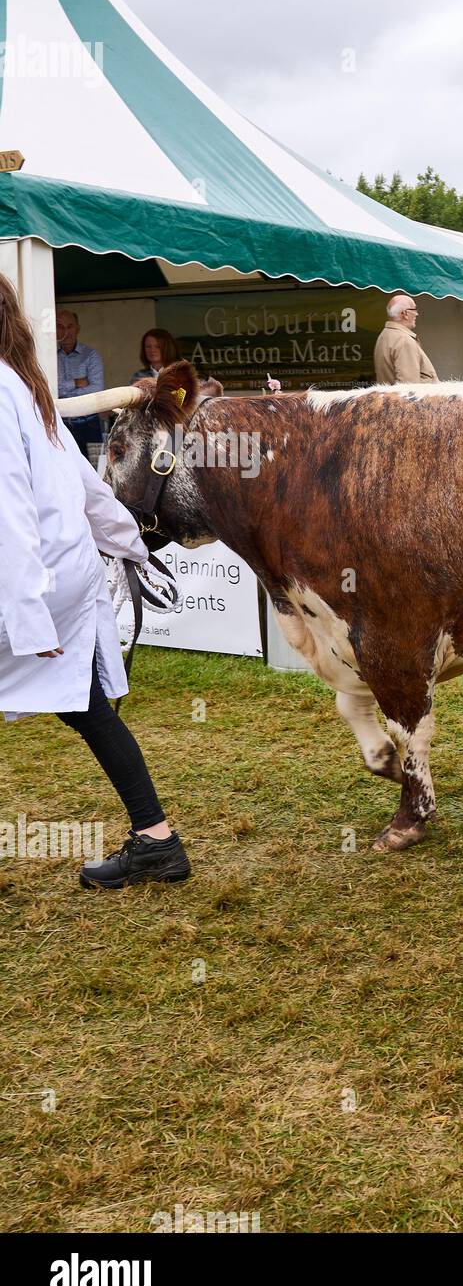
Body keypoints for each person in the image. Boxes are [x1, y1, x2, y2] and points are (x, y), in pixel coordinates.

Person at [0, 276, 189, 889]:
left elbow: (9, 508)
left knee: (86, 708)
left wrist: (27, 613)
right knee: (87, 709)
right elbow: (85, 486)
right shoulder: (25, 388)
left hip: (34, 579)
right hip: (62, 575)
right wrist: (132, 546)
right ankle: (157, 842)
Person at [55, 310, 106, 462]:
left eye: (70, 326)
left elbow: (97, 390)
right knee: (65, 471)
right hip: (60, 425)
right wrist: (76, 383)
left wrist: (63, 390)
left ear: (78, 329)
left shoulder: (91, 355)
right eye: (60, 326)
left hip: (89, 424)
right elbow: (50, 391)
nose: (66, 331)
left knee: (97, 469)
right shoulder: (48, 355)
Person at [374, 294, 438, 384]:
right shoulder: (404, 340)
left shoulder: (384, 336)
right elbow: (409, 388)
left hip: (390, 396)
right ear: (405, 314)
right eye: (414, 309)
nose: (417, 313)